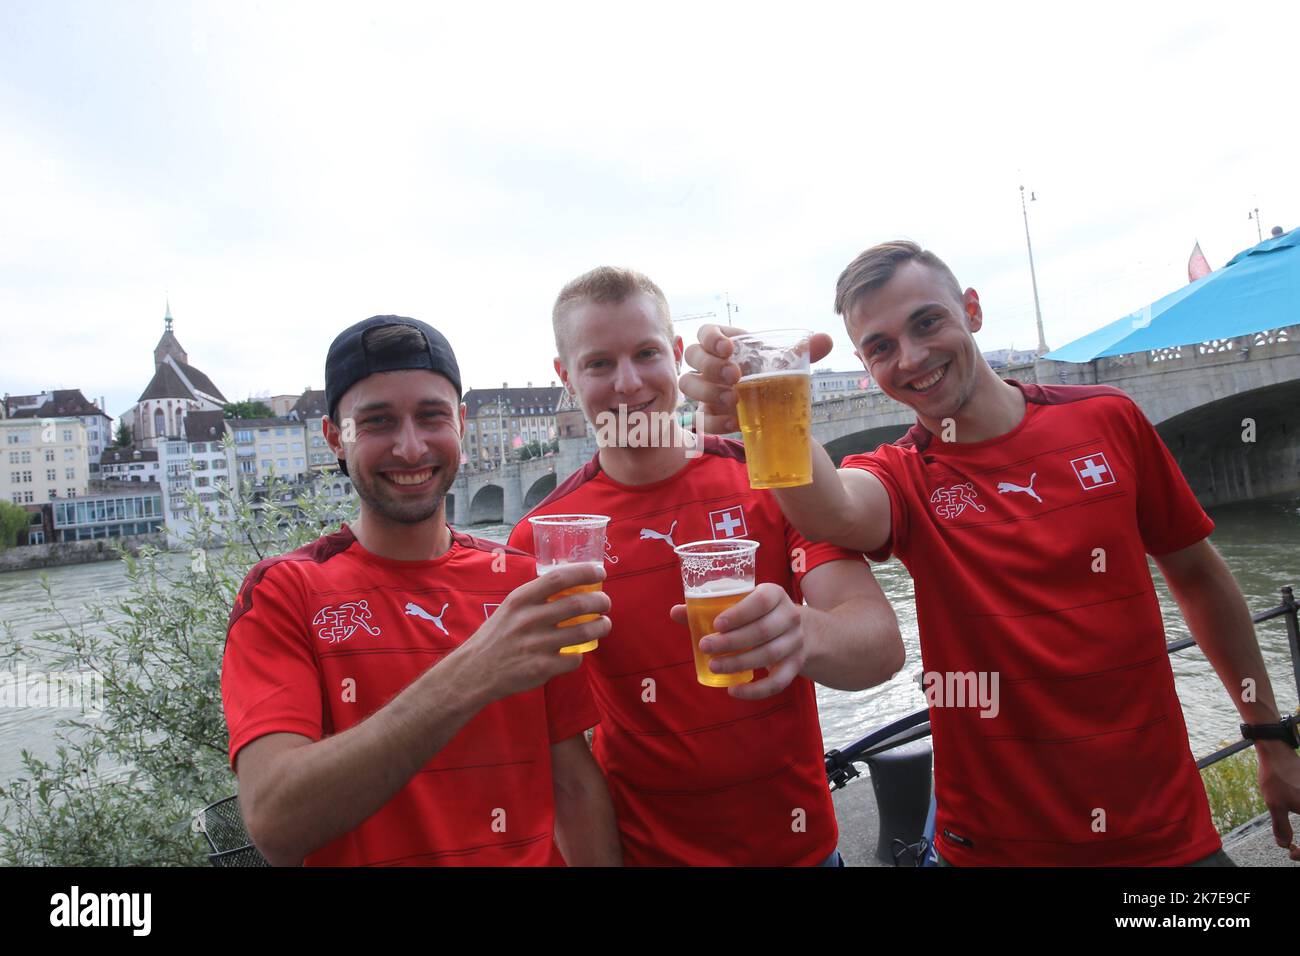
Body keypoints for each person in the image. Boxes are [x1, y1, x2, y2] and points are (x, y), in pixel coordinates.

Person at [681, 241, 1300, 866]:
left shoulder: (1109, 420)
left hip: (1164, 837)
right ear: (868, 369)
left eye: (927, 322)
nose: (913, 357)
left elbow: (1199, 578)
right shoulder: (902, 473)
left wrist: (1269, 735)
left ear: (972, 310)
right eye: (881, 347)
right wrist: (758, 398)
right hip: (990, 847)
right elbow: (830, 510)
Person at [508, 268, 904, 866]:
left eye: (645, 353)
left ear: (674, 355)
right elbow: (563, 756)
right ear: (565, 377)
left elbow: (880, 649)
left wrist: (802, 632)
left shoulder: (769, 478)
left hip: (799, 850)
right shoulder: (544, 538)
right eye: (598, 364)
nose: (628, 383)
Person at [222, 315, 622, 866]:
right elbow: (277, 824)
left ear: (459, 423)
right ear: (336, 438)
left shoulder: (524, 581)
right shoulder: (283, 594)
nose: (410, 449)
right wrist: (473, 672)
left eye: (431, 416)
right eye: (378, 422)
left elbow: (573, 786)